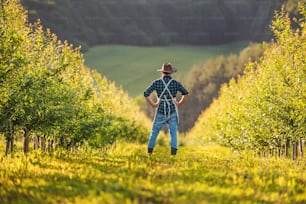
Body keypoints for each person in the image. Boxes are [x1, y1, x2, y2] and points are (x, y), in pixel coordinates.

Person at [144, 63, 189, 155]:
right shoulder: (175, 83)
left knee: (154, 132)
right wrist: (179, 103)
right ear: (171, 73)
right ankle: (173, 153)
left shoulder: (157, 83)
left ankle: (149, 152)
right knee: (173, 132)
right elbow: (186, 94)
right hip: (172, 110)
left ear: (162, 72)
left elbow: (146, 93)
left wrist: (153, 104)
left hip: (160, 110)